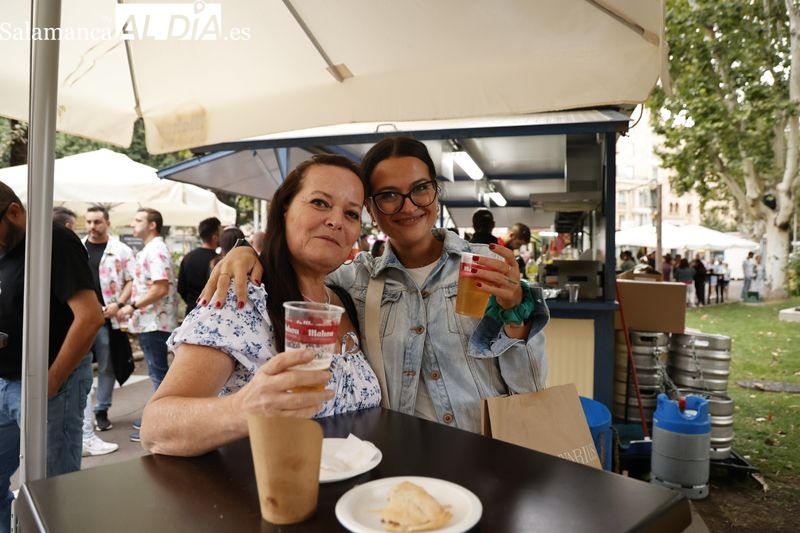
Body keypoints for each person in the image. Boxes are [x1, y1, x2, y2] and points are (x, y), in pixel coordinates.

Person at [202, 136, 550, 434]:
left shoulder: (485, 268)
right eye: (389, 195)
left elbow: (531, 389)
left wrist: (515, 315)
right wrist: (246, 251)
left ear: (436, 192)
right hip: (399, 464)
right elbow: (299, 264)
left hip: (487, 461)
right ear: (371, 207)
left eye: (420, 189)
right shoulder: (353, 281)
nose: (408, 205)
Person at [140, 155, 381, 456]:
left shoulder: (343, 300)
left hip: (352, 493)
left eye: (351, 213)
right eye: (320, 202)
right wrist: (244, 409)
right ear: (283, 210)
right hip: (264, 493)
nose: (336, 220)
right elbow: (156, 428)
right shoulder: (242, 298)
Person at [0, 182, 105, 530]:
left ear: (14, 211)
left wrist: (53, 379)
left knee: (52, 494)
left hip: (47, 384)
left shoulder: (53, 241)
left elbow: (90, 317)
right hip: (5, 380)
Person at [116, 208, 178, 442]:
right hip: (152, 322)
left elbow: (160, 288)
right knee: (159, 373)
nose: (133, 224)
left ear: (152, 225)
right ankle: (159, 419)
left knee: (159, 375)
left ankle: (162, 424)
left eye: (138, 220)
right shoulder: (153, 249)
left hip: (155, 322)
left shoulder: (156, 250)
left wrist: (131, 307)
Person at [82, 206, 136, 454]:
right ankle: (82, 416)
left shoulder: (122, 250)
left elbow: (131, 280)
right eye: (89, 222)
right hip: (81, 316)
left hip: (107, 316)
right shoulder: (78, 247)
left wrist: (119, 304)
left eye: (97, 222)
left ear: (107, 222)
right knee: (79, 365)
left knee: (106, 363)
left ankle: (101, 409)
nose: (92, 226)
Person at [177, 216, 220, 315]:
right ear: (215, 237)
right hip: (211, 312)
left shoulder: (188, 257)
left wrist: (191, 301)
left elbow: (180, 287)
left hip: (191, 310)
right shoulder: (218, 261)